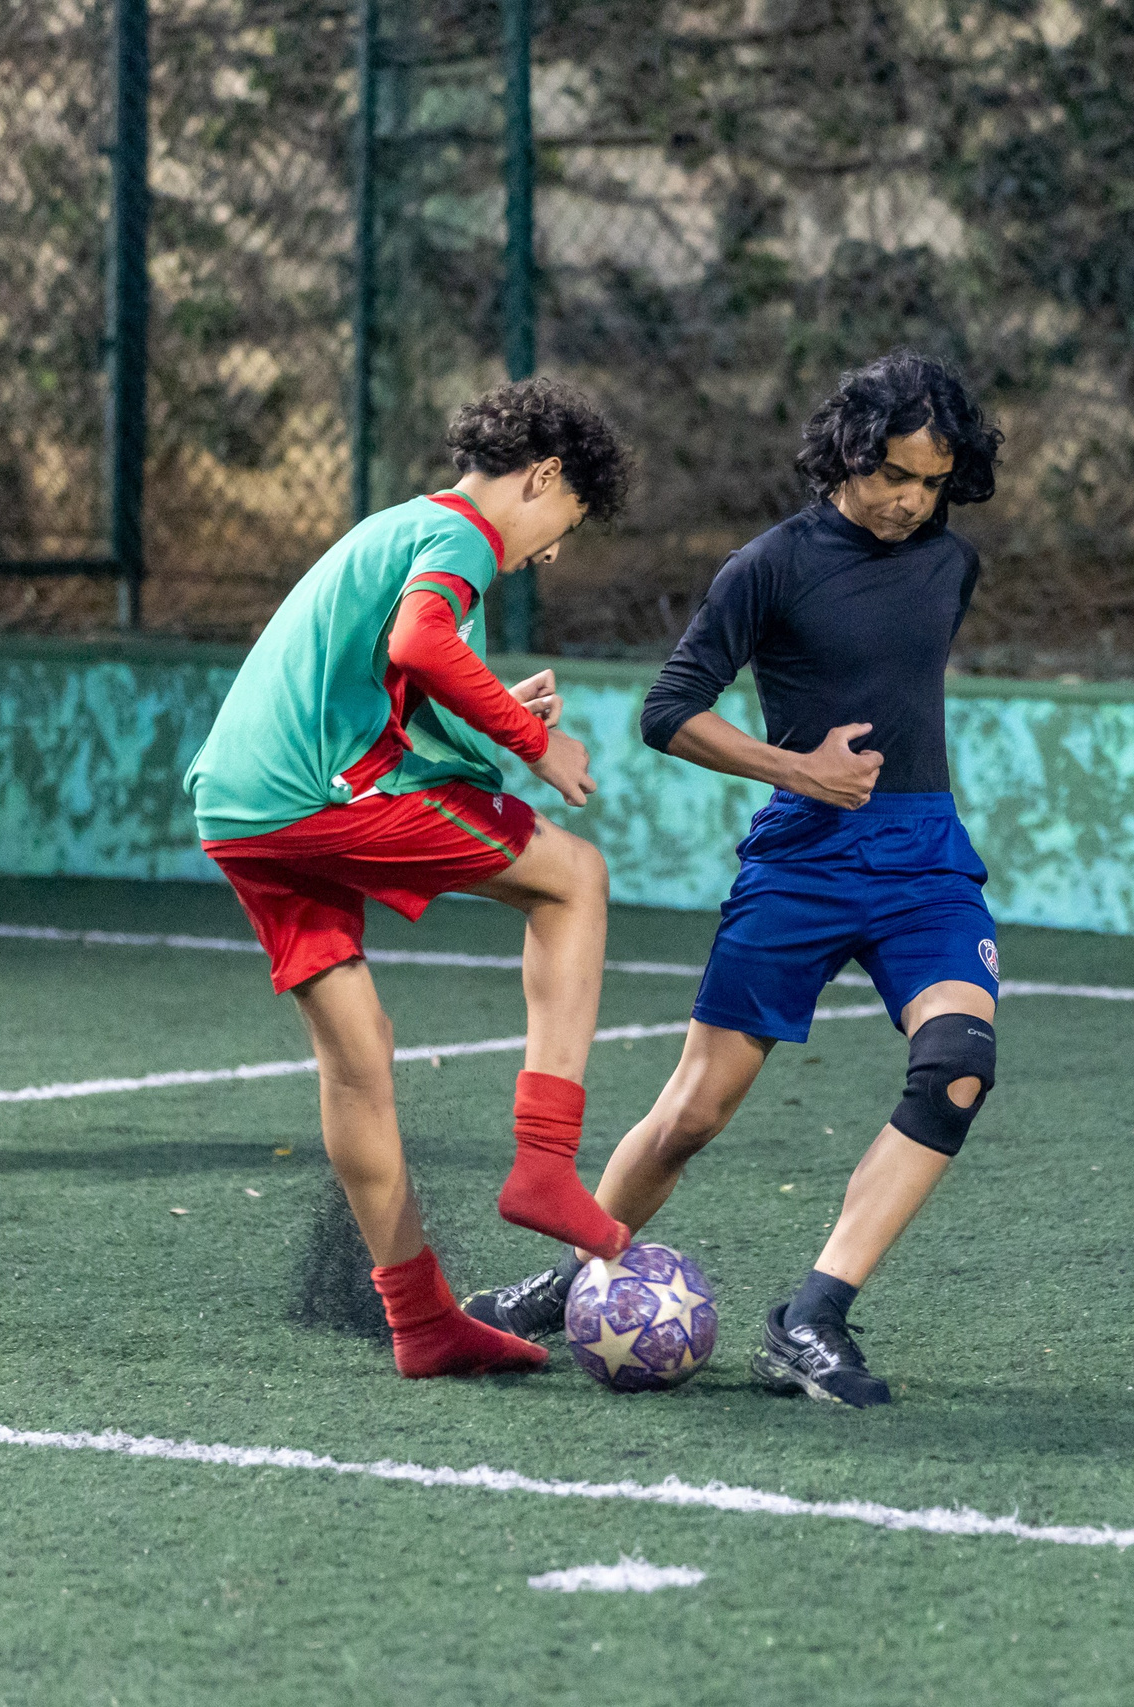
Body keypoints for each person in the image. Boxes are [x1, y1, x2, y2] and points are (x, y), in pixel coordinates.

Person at [465, 350, 1005, 1406]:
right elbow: (668, 711)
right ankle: (576, 1275)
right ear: (847, 452)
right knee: (694, 1113)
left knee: (957, 1067)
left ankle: (812, 1318)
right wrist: (797, 767)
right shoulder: (772, 564)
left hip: (923, 856)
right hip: (802, 857)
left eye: (931, 481)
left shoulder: (952, 565)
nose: (908, 499)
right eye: (892, 472)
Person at [183, 378, 636, 1379]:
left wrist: (487, 710)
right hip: (315, 794)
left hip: (239, 807)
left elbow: (392, 677)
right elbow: (421, 644)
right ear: (545, 476)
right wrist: (533, 740)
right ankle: (546, 1167)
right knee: (574, 881)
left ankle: (422, 1321)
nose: (556, 549)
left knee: (358, 1053)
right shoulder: (462, 535)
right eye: (569, 520)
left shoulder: (401, 531)